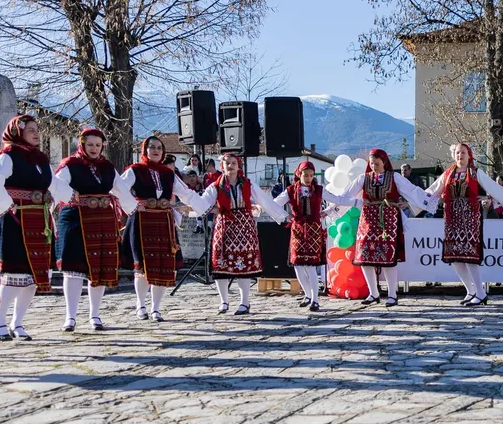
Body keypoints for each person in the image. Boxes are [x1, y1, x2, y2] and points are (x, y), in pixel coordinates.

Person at [0, 114, 69, 342]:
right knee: (14, 273)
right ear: (18, 132)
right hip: (14, 219)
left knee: (34, 275)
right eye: (31, 130)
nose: (36, 133)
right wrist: (7, 205)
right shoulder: (8, 156)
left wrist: (72, 196)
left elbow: (53, 183)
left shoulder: (40, 159)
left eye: (37, 129)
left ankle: (17, 322)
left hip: (39, 221)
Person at [53, 128, 137, 333]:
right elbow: (55, 187)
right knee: (73, 269)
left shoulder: (107, 167)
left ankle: (95, 315)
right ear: (81, 144)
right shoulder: (70, 165)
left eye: (98, 145)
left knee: (99, 269)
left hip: (102, 221)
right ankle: (70, 317)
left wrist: (134, 209)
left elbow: (121, 189)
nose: (94, 148)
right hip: (75, 220)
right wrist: (47, 208)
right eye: (90, 144)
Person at [120, 136, 204, 321]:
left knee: (163, 266)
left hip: (163, 222)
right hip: (142, 220)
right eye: (152, 147)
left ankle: (156, 308)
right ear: (145, 150)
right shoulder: (135, 170)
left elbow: (186, 193)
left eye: (159, 148)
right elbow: (117, 187)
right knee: (143, 266)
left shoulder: (168, 174)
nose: (156, 151)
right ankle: (141, 305)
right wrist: (132, 205)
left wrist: (204, 207)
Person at [192, 152, 287, 314]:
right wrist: (210, 209)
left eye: (233, 163)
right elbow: (202, 203)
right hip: (224, 227)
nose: (230, 166)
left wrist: (282, 216)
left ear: (238, 166)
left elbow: (265, 201)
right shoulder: (216, 186)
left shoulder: (248, 184)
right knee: (220, 264)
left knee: (245, 265)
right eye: (227, 163)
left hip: (244, 227)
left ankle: (244, 302)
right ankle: (224, 301)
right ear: (222, 166)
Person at [421, 144, 503, 306]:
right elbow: (433, 190)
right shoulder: (448, 173)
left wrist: (492, 198)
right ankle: (470, 291)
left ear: (469, 155)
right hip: (452, 219)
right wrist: (414, 202)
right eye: (458, 153)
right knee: (454, 258)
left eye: (463, 152)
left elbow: (494, 188)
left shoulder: (475, 172)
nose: (460, 155)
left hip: (470, 219)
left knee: (470, 256)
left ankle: (480, 293)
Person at [334, 148, 428, 306]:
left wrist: (420, 202)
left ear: (384, 162)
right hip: (368, 221)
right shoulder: (364, 178)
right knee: (364, 257)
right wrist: (331, 210)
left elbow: (412, 190)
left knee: (387, 257)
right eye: (371, 163)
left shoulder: (394, 177)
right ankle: (373, 293)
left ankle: (392, 295)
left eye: (376, 163)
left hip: (388, 221)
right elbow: (347, 194)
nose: (373, 166)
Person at [274, 161, 350, 312]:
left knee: (310, 266)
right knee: (298, 265)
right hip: (297, 231)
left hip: (314, 231)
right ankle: (308, 295)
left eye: (311, 175)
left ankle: (315, 299)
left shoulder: (319, 190)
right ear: (299, 174)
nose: (308, 178)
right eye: (305, 175)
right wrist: (285, 215)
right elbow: (274, 204)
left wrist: (327, 212)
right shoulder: (291, 190)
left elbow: (338, 200)